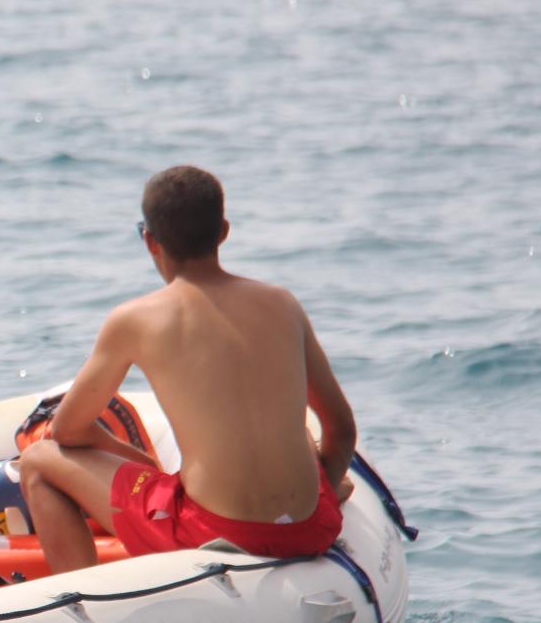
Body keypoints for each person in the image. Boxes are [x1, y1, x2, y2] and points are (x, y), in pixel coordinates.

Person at [18, 165, 357, 573]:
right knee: (300, 433)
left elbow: (67, 431)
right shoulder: (282, 303)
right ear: (224, 231)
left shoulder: (135, 319)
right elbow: (341, 429)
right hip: (310, 529)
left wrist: (137, 460)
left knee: (39, 460)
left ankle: (85, 598)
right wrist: (320, 494)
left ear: (150, 241)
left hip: (213, 531)